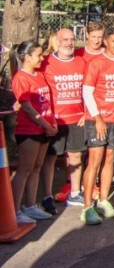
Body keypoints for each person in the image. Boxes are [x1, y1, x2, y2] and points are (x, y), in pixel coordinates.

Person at [81, 27, 114, 224]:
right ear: (106, 42)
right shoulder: (96, 63)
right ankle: (86, 207)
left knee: (110, 159)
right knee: (95, 160)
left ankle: (103, 201)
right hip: (97, 119)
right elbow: (87, 92)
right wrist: (98, 118)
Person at [10, 40, 58, 224]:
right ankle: (14, 210)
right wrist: (47, 125)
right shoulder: (20, 78)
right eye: (38, 55)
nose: (42, 58)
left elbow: (46, 101)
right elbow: (28, 108)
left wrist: (50, 123)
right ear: (27, 57)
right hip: (29, 130)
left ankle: (30, 205)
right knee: (24, 169)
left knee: (37, 167)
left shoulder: (39, 75)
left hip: (44, 128)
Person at [40, 28, 87, 211]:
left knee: (75, 154)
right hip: (55, 120)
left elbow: (88, 89)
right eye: (65, 39)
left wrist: (85, 113)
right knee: (50, 158)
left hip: (77, 118)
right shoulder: (46, 62)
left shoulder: (80, 62)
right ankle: (47, 196)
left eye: (72, 39)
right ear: (57, 41)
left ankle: (75, 193)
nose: (69, 43)